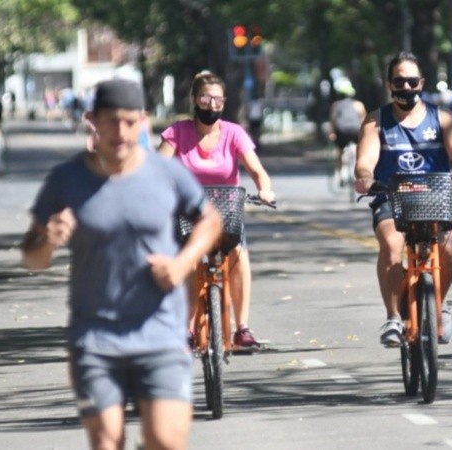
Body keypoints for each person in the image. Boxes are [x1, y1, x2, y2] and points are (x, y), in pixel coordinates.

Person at [20, 78, 223, 450]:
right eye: (111, 121)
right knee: (107, 442)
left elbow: (210, 220)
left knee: (165, 440)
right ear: (93, 120)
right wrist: (48, 238)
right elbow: (32, 258)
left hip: (161, 334)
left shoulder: (167, 174)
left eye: (131, 121)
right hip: (95, 339)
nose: (121, 131)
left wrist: (181, 265)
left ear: (143, 121)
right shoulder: (66, 180)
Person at [354, 51, 452, 346]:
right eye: (399, 81)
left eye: (412, 81)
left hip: (435, 197)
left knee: (448, 245)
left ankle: (438, 304)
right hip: (391, 197)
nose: (406, 88)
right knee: (391, 245)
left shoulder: (443, 119)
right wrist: (364, 177)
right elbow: (365, 161)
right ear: (389, 84)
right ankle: (393, 318)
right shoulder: (376, 121)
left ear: (422, 83)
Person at [158, 71, 275, 354]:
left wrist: (265, 189)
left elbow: (257, 171)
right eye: (206, 98)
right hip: (188, 213)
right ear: (194, 100)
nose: (212, 105)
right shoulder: (177, 132)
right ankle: (185, 329)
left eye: (218, 100)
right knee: (188, 257)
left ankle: (242, 328)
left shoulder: (234, 133)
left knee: (238, 253)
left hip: (226, 211)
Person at [329, 81, 367, 183]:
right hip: (355, 130)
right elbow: (363, 120)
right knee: (359, 150)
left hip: (341, 131)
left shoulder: (335, 105)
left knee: (340, 151)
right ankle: (358, 171)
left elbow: (333, 121)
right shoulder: (359, 104)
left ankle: (340, 174)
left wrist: (332, 133)